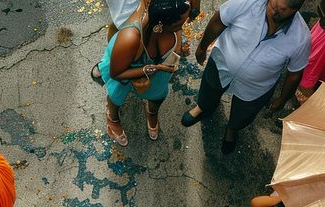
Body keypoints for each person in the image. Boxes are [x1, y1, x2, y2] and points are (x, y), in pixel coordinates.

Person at [181, 0, 310, 154]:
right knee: (209, 88)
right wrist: (202, 46)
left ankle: (232, 129)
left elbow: (295, 73)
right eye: (272, 4)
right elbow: (219, 20)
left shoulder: (301, 38)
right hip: (221, 64)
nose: (270, 9)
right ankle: (202, 108)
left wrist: (282, 99)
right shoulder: (246, 2)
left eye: (279, 10)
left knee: (244, 113)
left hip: (256, 87)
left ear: (294, 10)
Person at [97, 0, 190, 145]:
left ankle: (152, 112)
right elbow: (116, 73)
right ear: (161, 25)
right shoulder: (130, 37)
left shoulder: (167, 16)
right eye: (178, 25)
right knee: (117, 95)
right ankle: (113, 117)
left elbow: (176, 29)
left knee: (159, 94)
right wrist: (152, 69)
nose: (181, 29)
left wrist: (178, 49)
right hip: (127, 68)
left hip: (157, 71)